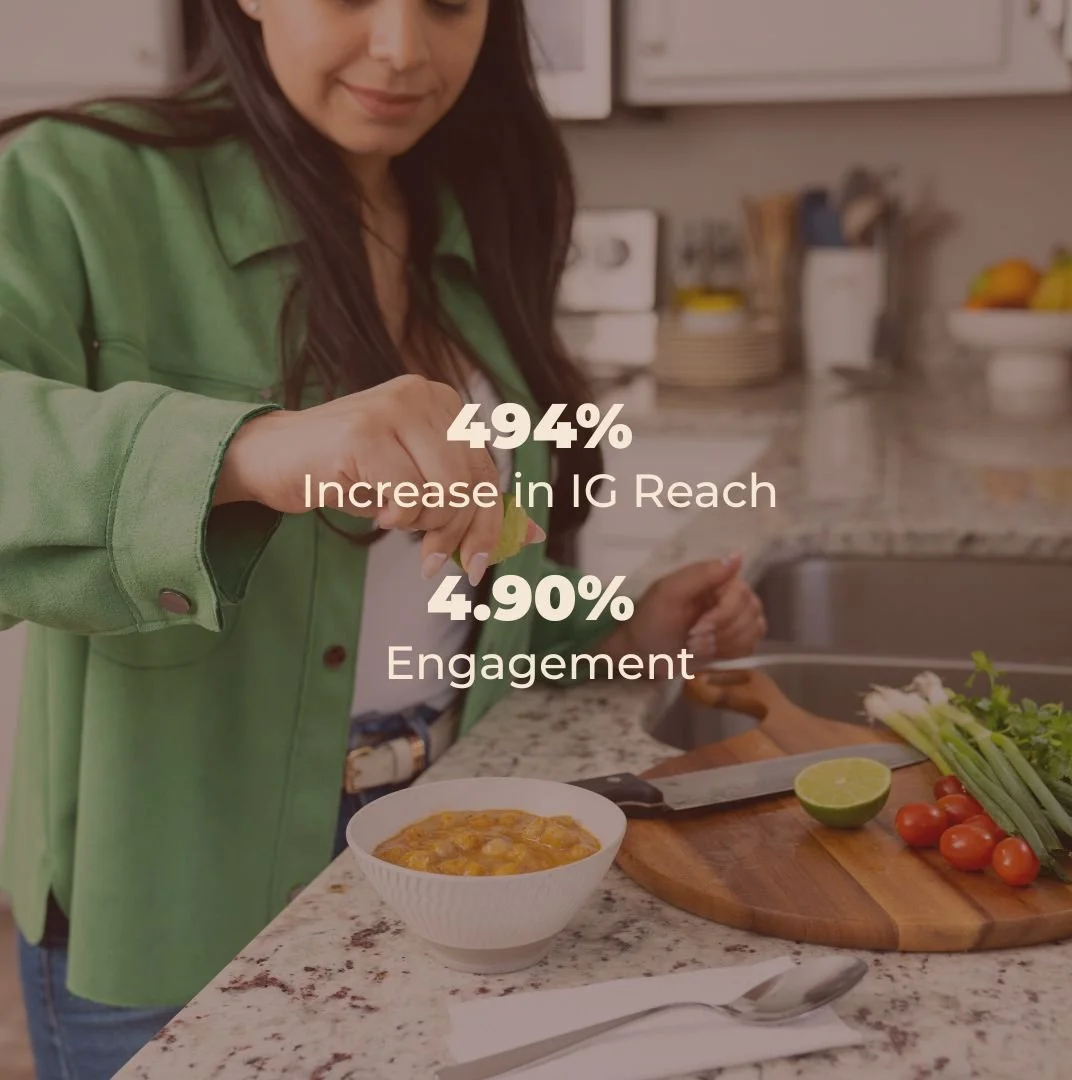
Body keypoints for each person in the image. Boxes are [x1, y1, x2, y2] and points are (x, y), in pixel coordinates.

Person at [0, 1, 767, 1076]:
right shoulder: (72, 185)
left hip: (457, 853)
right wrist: (251, 451)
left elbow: (449, 579)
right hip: (176, 895)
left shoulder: (467, 208)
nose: (406, 48)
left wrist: (607, 626)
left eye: (450, 2)